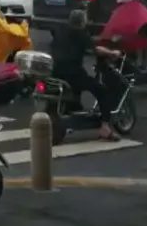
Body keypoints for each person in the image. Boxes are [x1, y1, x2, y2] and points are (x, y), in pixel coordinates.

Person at [50, 9, 122, 140]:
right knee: (102, 91)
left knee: (76, 88)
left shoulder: (61, 31)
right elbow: (95, 50)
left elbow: (83, 42)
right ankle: (105, 128)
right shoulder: (81, 33)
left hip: (55, 71)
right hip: (72, 72)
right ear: (82, 22)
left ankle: (73, 110)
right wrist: (112, 53)